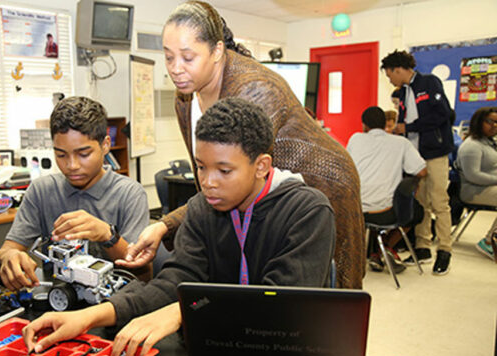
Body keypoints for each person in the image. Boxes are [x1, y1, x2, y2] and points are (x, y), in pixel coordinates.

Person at [22, 98, 335, 356]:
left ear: (262, 166)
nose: (207, 182)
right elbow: (173, 283)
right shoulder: (202, 209)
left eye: (224, 170)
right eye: (201, 166)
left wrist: (183, 312)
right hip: (214, 353)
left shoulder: (307, 212)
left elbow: (278, 304)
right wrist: (90, 316)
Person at [118, 0, 364, 289]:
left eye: (187, 57)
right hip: (260, 189)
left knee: (328, 297)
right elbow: (214, 176)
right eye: (169, 57)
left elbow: (238, 177)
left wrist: (166, 223)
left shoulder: (255, 90)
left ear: (217, 51)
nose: (176, 69)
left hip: (323, 182)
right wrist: (166, 224)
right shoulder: (185, 96)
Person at [0, 96, 150, 290]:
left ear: (105, 145)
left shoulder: (130, 194)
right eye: (61, 155)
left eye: (84, 154)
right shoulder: (41, 191)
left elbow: (143, 273)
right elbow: (7, 250)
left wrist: (107, 235)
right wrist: (9, 257)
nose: (71, 166)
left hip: (113, 306)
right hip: (60, 303)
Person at [381, 50, 454, 275]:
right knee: (421, 203)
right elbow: (403, 122)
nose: (389, 79)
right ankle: (423, 246)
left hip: (435, 153)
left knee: (440, 201)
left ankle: (445, 249)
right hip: (414, 156)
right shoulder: (401, 94)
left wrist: (409, 127)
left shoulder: (429, 83)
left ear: (398, 69)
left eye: (389, 74)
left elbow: (444, 115)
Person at [347, 106, 427, 272]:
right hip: (387, 212)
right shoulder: (401, 143)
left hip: (355, 210)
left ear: (364, 125)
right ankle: (385, 248)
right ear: (386, 124)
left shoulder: (355, 139)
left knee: (376, 207)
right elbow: (421, 171)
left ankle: (377, 253)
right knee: (416, 211)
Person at [455, 106, 497, 259]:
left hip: (488, 187)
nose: (494, 126)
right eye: (490, 121)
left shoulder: (488, 142)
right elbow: (473, 175)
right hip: (474, 191)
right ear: (479, 122)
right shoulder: (472, 146)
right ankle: (489, 242)